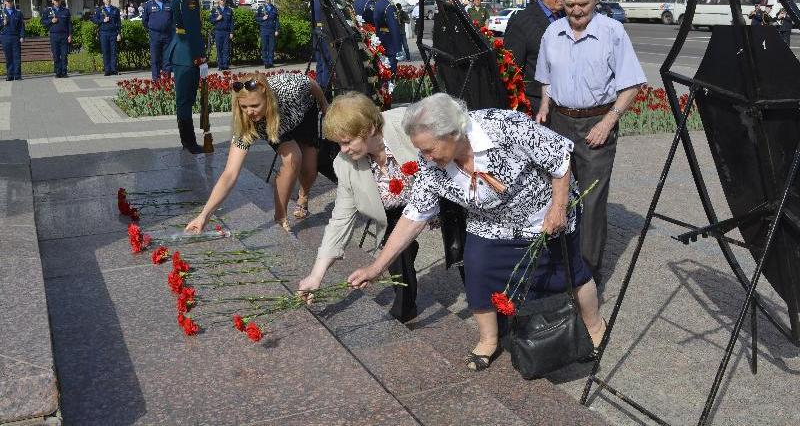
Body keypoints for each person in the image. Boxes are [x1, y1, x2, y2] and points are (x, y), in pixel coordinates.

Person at [347, 93, 605, 370]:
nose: (426, 157)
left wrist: (559, 207)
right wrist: (376, 268)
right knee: (478, 270)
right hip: (490, 223)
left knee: (571, 272)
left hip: (541, 213)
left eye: (429, 149)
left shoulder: (504, 126)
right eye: (420, 151)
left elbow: (559, 156)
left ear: (453, 133)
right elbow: (414, 216)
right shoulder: (431, 166)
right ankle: (489, 339)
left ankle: (594, 327)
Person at [535, 0, 646, 283]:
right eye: (569, 4)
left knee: (592, 201)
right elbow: (546, 79)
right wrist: (545, 105)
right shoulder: (552, 33)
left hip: (597, 124)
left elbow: (631, 85)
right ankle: (558, 268)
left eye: (582, 3)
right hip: (559, 123)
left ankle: (585, 278)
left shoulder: (613, 32)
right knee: (556, 196)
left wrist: (608, 121)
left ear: (596, 0)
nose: (576, 10)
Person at [299, 93, 421, 322]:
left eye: (347, 141)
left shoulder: (407, 126)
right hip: (397, 212)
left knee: (468, 256)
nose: (342, 150)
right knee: (394, 249)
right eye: (338, 143)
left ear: (370, 129)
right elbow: (340, 220)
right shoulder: (344, 164)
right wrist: (316, 276)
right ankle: (405, 309)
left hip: (444, 198)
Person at [186, 71, 328, 233]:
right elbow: (230, 174)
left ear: (268, 99)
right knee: (293, 159)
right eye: (244, 106)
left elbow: (311, 83)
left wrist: (324, 104)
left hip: (302, 114)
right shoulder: (248, 124)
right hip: (273, 126)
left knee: (309, 169)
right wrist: (204, 215)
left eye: (254, 106)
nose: (249, 112)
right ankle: (281, 217)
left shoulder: (290, 87)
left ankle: (304, 195)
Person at [504, 0, 564, 116]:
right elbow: (511, 69)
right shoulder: (522, 22)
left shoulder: (567, 17)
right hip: (536, 105)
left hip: (565, 104)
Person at [165, 0, 208, 154]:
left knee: (185, 98)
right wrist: (201, 58)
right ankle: (189, 142)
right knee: (185, 99)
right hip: (187, 53)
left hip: (182, 50)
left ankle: (187, 141)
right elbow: (192, 30)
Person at [142, 0, 175, 80]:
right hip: (155, 35)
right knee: (155, 59)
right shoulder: (148, 5)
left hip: (168, 35)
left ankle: (166, 81)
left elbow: (173, 18)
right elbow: (144, 21)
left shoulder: (168, 3)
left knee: (167, 59)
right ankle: (156, 81)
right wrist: (152, 29)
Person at [373, 0, 402, 76]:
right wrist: (398, 48)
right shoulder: (389, 6)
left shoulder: (378, 3)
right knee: (391, 74)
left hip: (381, 42)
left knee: (383, 73)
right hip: (390, 45)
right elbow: (394, 29)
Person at [313, 0, 336, 90]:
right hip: (323, 33)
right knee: (326, 63)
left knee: (322, 64)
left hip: (321, 32)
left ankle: (321, 91)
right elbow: (321, 18)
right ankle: (324, 92)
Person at [41, 0, 72, 78]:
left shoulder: (66, 11)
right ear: (52, 1)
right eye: (55, 0)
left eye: (58, 0)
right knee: (56, 55)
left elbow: (69, 24)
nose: (57, 2)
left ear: (60, 1)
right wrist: (51, 21)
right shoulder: (48, 10)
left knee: (64, 55)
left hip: (64, 35)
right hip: (54, 36)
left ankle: (64, 72)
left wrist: (70, 35)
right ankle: (58, 72)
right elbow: (43, 22)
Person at [91, 0, 121, 76]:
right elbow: (93, 19)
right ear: (103, 0)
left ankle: (114, 69)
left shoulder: (115, 9)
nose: (108, 0)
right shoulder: (99, 10)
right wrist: (102, 20)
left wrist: (119, 33)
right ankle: (107, 70)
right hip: (103, 33)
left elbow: (118, 22)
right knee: (105, 52)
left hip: (113, 33)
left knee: (113, 52)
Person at [1, 0, 24, 81]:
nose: (10, 3)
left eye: (11, 2)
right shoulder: (1, 13)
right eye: (8, 2)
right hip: (5, 37)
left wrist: (22, 36)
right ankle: (10, 75)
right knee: (8, 57)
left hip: (15, 37)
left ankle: (17, 75)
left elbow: (21, 26)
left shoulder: (18, 13)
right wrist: (2, 23)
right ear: (5, 2)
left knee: (16, 56)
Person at [211, 0, 234, 71]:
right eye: (221, 0)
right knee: (219, 49)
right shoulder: (215, 10)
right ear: (219, 0)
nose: (223, 1)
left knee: (226, 49)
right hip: (218, 32)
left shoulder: (229, 10)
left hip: (226, 32)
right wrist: (217, 19)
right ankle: (220, 65)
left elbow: (231, 22)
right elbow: (211, 20)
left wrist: (231, 32)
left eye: (224, 0)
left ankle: (225, 65)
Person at [255, 0, 279, 68]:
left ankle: (271, 62)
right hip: (264, 30)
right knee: (264, 47)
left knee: (271, 47)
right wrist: (262, 18)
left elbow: (277, 20)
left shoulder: (274, 8)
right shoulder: (261, 8)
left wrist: (277, 30)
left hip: (272, 30)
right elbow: (256, 18)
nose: (268, 0)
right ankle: (266, 63)